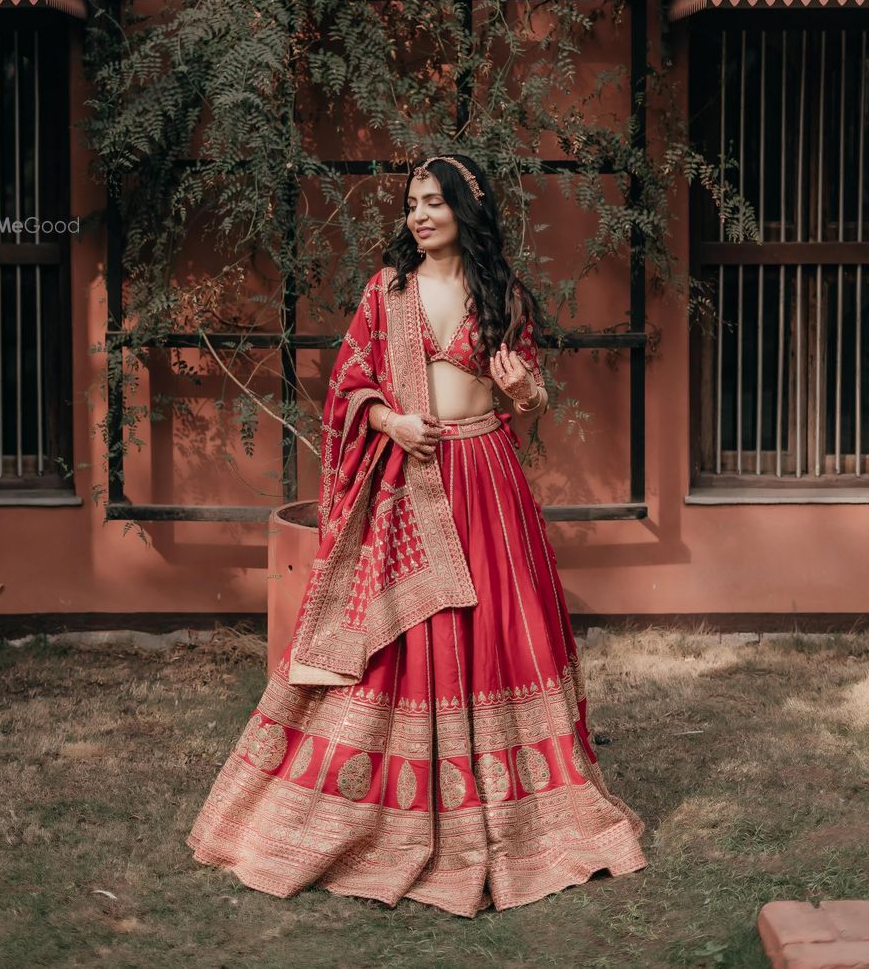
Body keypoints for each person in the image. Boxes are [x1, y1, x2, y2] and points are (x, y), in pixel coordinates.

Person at [185, 152, 647, 915]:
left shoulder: (502, 292)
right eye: (412, 203)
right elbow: (347, 383)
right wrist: (391, 419)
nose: (419, 214)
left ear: (466, 208)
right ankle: (387, 809)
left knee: (500, 627)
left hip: (486, 477)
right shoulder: (386, 291)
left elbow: (529, 392)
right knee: (407, 642)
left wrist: (518, 384)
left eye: (434, 201)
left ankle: (507, 810)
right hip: (411, 476)